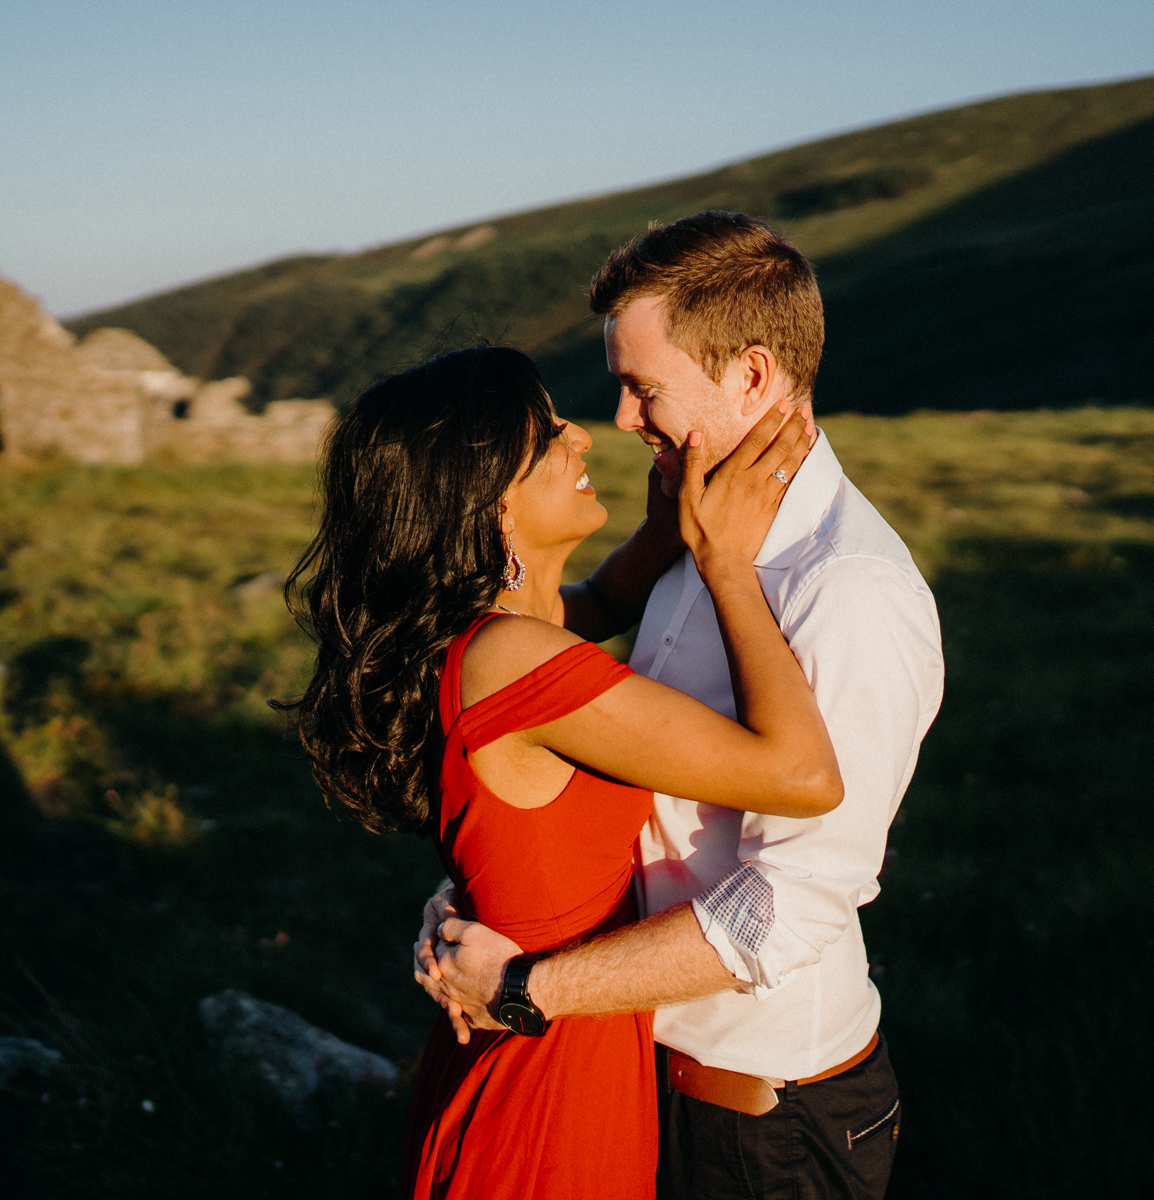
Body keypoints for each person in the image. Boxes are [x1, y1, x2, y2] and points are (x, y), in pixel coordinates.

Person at [416, 212, 946, 1200]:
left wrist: (527, 990)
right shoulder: (697, 524)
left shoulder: (847, 593)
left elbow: (791, 909)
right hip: (633, 1073)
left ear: (750, 375)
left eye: (642, 387)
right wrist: (489, 894)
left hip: (757, 1125)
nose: (620, 419)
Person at [277, 343, 837, 1200]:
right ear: (493, 502)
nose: (580, 434)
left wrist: (663, 532)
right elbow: (800, 777)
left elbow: (605, 602)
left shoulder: (476, 633)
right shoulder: (510, 659)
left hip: (533, 1038)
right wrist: (723, 563)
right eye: (546, 435)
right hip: (549, 1078)